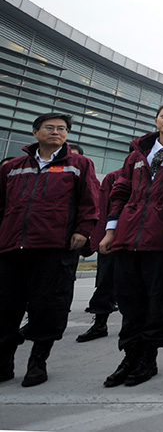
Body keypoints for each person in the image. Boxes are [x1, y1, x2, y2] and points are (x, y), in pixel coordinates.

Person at [98, 104, 163, 387]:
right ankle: (129, 356)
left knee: (158, 302)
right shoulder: (137, 154)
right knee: (129, 300)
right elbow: (120, 192)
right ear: (156, 120)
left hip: (161, 238)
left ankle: (147, 359)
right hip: (127, 236)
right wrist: (111, 230)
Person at [0, 113, 99, 387]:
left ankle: (37, 361)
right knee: (6, 307)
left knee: (49, 306)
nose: (56, 132)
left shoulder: (79, 165)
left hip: (55, 247)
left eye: (62, 129)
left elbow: (90, 202)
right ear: (35, 132)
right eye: (49, 127)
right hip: (12, 247)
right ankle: (4, 362)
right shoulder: (13, 167)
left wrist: (82, 231)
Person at [76, 168, 121, 343]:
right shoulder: (114, 177)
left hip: (143, 238)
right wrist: (99, 237)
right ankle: (100, 324)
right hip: (112, 238)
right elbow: (102, 208)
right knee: (105, 284)